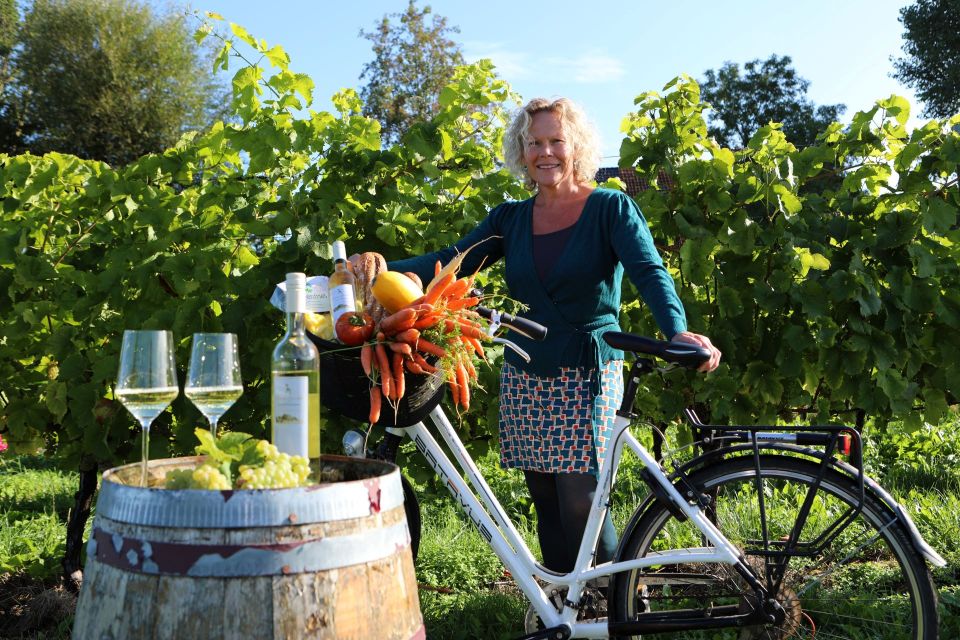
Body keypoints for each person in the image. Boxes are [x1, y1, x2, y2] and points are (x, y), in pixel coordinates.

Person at [388, 97, 721, 576]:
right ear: (521, 151)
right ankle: (568, 602)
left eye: (556, 141)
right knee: (543, 493)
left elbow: (650, 271)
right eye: (534, 142)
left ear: (576, 146)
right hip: (527, 366)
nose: (546, 152)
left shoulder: (609, 207)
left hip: (588, 366)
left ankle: (618, 601)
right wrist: (375, 268)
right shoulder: (510, 220)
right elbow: (448, 263)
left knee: (580, 497)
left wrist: (678, 329)